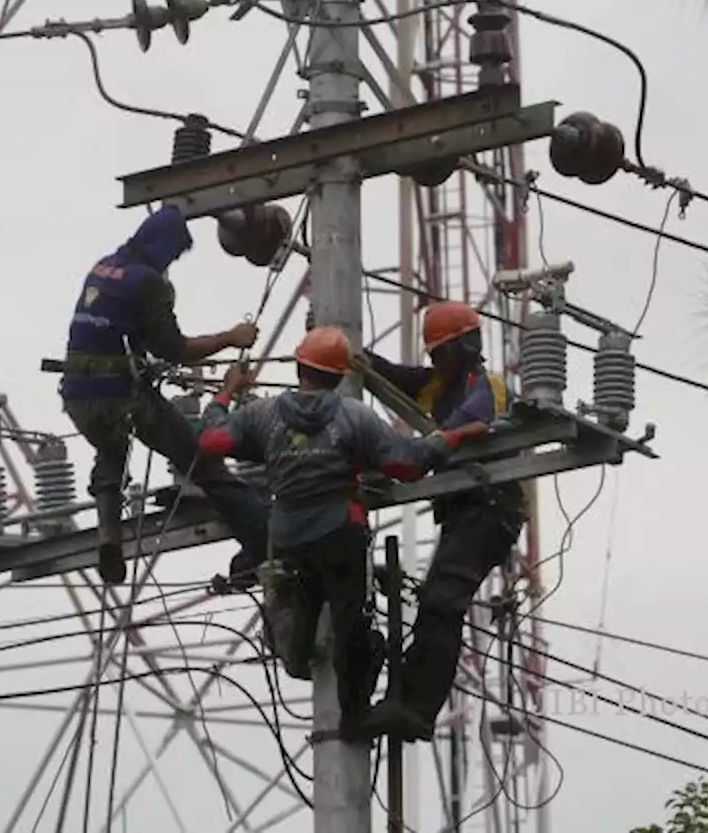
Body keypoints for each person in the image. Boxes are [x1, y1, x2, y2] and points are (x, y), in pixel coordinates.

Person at [195, 325, 489, 741]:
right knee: (352, 621)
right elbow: (405, 465)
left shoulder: (263, 414)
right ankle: (354, 717)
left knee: (309, 597)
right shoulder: (354, 416)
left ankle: (296, 653)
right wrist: (449, 437)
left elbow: (212, 440)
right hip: (338, 532)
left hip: (289, 534)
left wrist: (225, 393)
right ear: (339, 377)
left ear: (299, 367)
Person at [60, 204, 269, 586]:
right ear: (162, 246)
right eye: (172, 255)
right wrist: (230, 338)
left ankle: (109, 532)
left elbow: (113, 329)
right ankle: (265, 544)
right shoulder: (148, 282)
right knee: (203, 463)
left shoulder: (104, 266)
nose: (170, 263)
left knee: (110, 448)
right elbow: (174, 349)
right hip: (120, 396)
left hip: (77, 393)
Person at [358, 300, 527, 741]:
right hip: (464, 514)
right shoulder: (438, 384)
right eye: (433, 356)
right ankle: (403, 701)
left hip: (490, 510)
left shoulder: (483, 384)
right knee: (434, 606)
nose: (436, 363)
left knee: (441, 604)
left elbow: (473, 423)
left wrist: (430, 446)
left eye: (441, 354)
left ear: (464, 348)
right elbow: (391, 375)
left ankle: (416, 709)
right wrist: (345, 348)